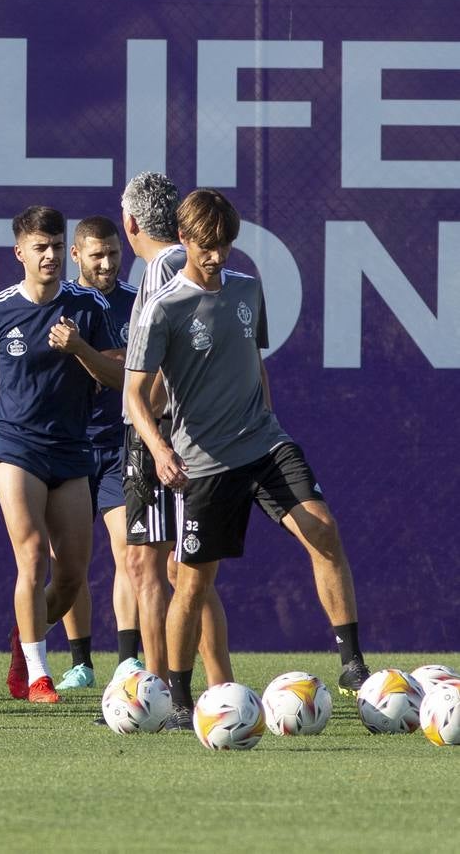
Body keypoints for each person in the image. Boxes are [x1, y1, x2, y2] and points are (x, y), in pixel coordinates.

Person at [125, 188, 371, 730]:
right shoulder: (162, 309)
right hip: (205, 463)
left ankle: (352, 664)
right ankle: (180, 695)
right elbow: (134, 396)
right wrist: (161, 450)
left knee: (323, 530)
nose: (218, 256)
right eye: (207, 246)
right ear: (185, 239)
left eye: (226, 245)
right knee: (192, 582)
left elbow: (252, 360)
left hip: (264, 443)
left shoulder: (247, 289)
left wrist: (268, 416)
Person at [0, 206, 123, 704]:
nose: (48, 256)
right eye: (38, 248)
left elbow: (118, 377)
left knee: (69, 577)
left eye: (54, 246)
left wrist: (81, 349)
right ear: (19, 252)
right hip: (16, 449)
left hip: (72, 451)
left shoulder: (89, 306)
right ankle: (40, 674)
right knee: (31, 558)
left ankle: (23, 640)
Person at [119, 172, 232, 727]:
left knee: (168, 566)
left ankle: (169, 693)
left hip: (161, 434)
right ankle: (210, 687)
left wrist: (155, 432)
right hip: (159, 433)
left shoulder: (165, 266)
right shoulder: (162, 266)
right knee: (173, 565)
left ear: (130, 222)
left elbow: (160, 365)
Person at [56, 216, 143, 691]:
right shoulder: (61, 301)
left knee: (128, 549)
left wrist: (91, 356)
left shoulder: (138, 301)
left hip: (119, 443)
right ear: (77, 256)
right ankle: (81, 662)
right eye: (97, 255)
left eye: (113, 253)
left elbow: (133, 367)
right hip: (68, 446)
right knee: (68, 560)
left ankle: (128, 659)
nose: (107, 263)